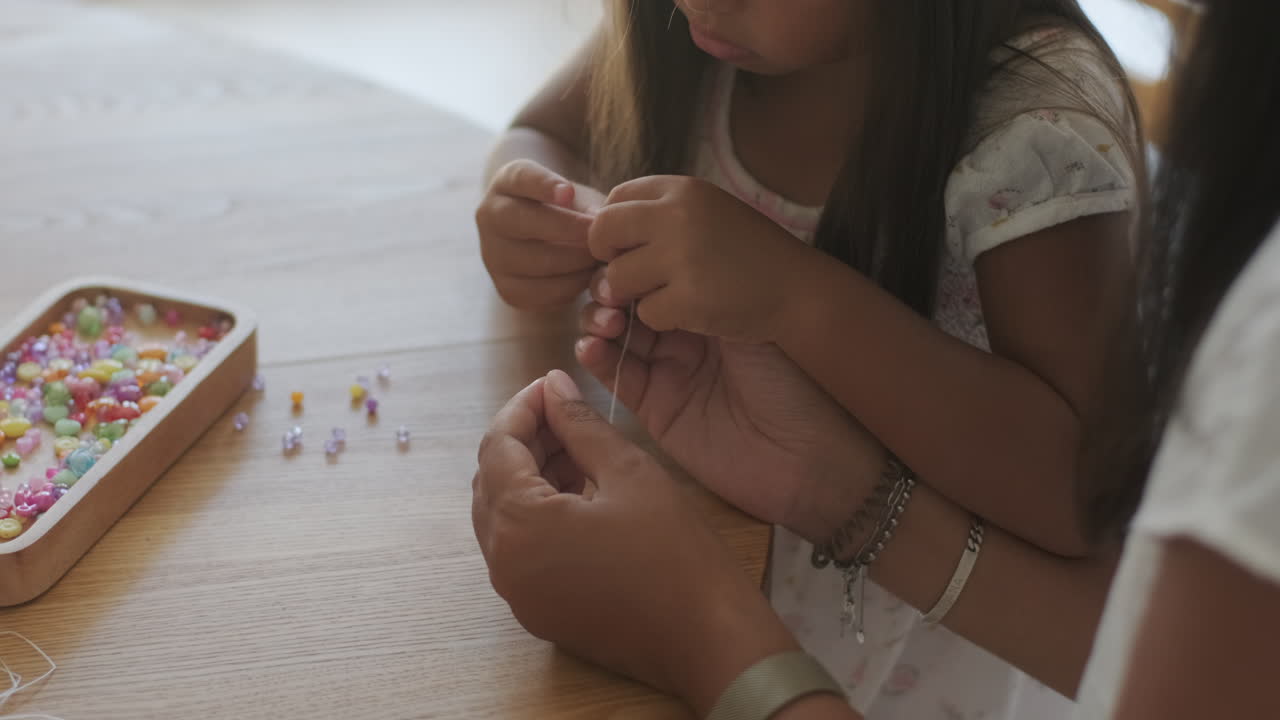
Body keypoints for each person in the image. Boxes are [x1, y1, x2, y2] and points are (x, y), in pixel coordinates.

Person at [471, 1, 1280, 718]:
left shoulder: (1033, 124)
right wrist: (533, 206)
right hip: (701, 595)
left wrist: (795, 297)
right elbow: (544, 132)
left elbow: (1078, 493)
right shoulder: (688, 34)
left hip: (920, 665)